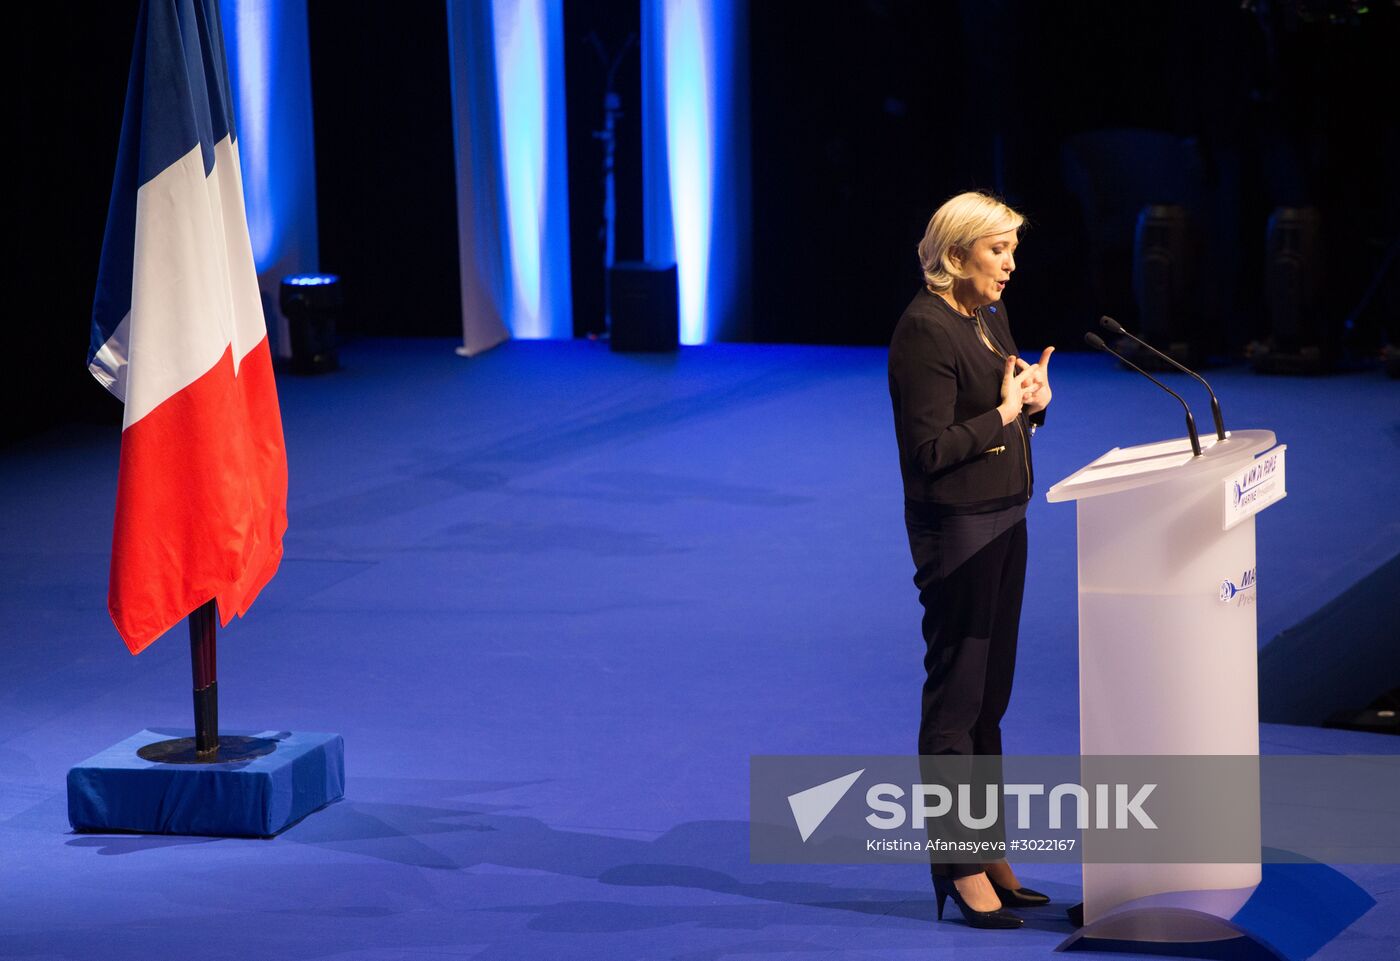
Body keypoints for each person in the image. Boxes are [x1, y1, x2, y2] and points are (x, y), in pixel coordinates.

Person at [887, 191, 1054, 930]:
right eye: (998, 251)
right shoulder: (922, 332)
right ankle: (957, 863)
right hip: (958, 533)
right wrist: (1005, 416)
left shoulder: (985, 316)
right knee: (956, 702)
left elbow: (1002, 404)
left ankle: (989, 849)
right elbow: (928, 453)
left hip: (1006, 518)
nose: (1010, 265)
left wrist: (1034, 400)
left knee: (991, 700)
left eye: (1012, 250)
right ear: (955, 256)